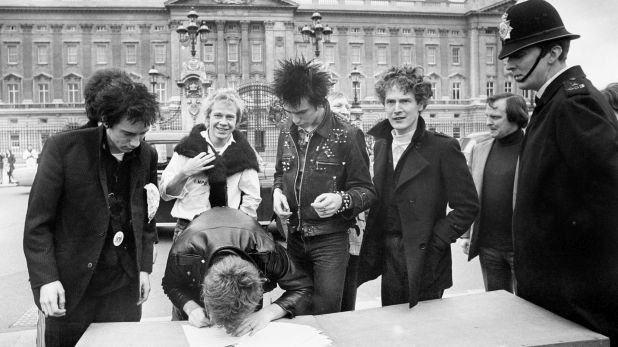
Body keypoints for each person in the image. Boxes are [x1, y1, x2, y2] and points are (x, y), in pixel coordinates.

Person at [499, 0, 618, 343]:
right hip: (556, 295)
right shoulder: (552, 102)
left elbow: (610, 197)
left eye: (518, 54)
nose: (509, 65)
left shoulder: (573, 103)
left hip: (577, 300)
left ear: (552, 52)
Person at [23, 77, 160, 347]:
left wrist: (143, 269)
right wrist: (46, 280)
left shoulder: (147, 155)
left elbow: (146, 216)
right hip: (71, 290)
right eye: (128, 134)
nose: (136, 143)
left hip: (123, 290)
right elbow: (38, 224)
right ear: (106, 122)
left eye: (142, 134)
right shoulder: (64, 149)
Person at [358, 65, 479, 308]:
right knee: (394, 327)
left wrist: (437, 241)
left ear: (421, 104)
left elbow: (467, 206)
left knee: (426, 333)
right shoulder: (382, 144)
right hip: (389, 252)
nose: (397, 109)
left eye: (405, 101)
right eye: (390, 101)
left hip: (426, 255)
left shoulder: (442, 148)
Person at [272, 58, 376, 314]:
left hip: (330, 241)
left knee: (327, 312)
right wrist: (276, 192)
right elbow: (279, 173)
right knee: (297, 310)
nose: (295, 120)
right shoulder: (286, 130)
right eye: (290, 112)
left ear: (320, 102)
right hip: (294, 237)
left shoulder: (349, 134)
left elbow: (367, 191)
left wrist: (341, 200)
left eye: (302, 112)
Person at [162, 207, 312, 336]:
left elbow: (303, 286)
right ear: (205, 292)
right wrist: (190, 307)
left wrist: (267, 313)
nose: (228, 330)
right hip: (195, 302)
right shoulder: (183, 251)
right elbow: (170, 285)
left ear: (258, 284)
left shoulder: (266, 250)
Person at [159, 88, 261, 241]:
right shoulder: (187, 147)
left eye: (230, 117)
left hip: (227, 230)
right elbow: (165, 194)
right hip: (188, 228)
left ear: (236, 121)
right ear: (208, 118)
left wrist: (240, 226)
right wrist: (185, 172)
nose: (223, 122)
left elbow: (252, 197)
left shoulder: (244, 153)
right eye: (218, 115)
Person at [459, 93, 528, 294]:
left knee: (526, 311)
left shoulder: (532, 148)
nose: (488, 122)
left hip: (522, 248)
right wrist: (466, 234)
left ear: (516, 117)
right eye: (487, 116)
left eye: (495, 117)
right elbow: (471, 194)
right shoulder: (479, 149)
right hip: (488, 247)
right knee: (497, 309)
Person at [327, 92, 366, 312]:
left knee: (348, 285)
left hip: (352, 223)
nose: (344, 110)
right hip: (327, 228)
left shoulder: (355, 138)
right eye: (338, 105)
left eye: (347, 108)